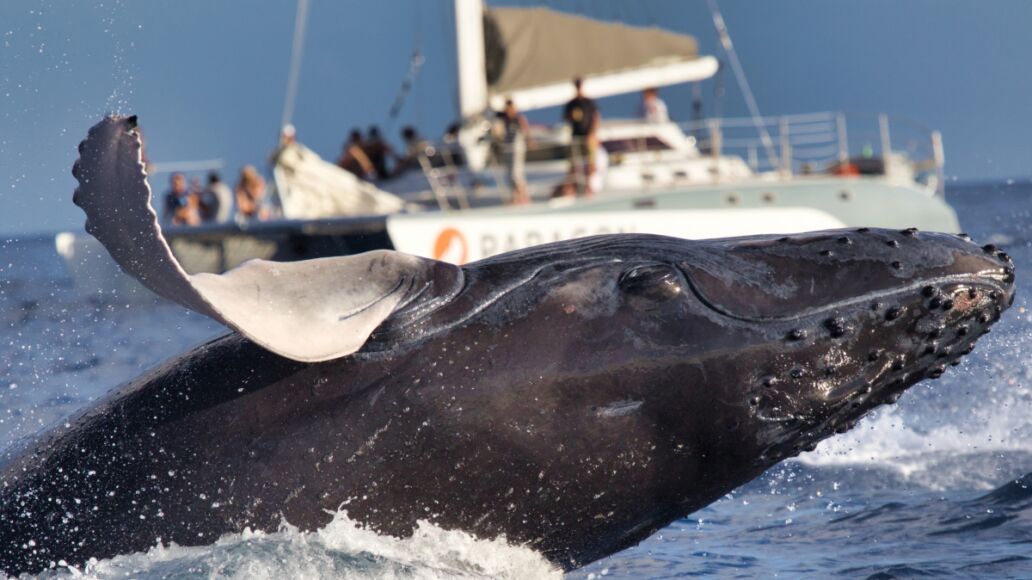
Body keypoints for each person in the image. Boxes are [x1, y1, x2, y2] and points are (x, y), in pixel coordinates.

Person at [562, 77, 600, 196]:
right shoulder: (571, 103)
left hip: (587, 136)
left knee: (590, 164)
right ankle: (577, 187)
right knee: (575, 164)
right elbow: (566, 118)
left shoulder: (588, 102)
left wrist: (593, 133)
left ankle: (588, 187)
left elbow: (596, 117)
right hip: (576, 137)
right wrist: (571, 116)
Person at [495, 98, 531, 204]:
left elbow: (525, 129)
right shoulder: (504, 118)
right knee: (510, 174)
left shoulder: (518, 118)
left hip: (517, 148)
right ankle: (515, 197)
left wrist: (529, 141)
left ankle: (523, 197)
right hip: (508, 149)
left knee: (517, 173)